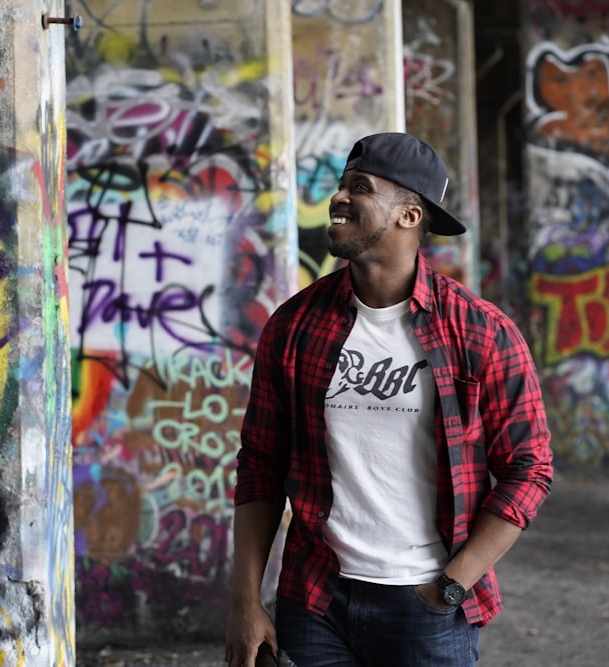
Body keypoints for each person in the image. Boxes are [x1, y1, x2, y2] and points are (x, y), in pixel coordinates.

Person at [224, 132, 554, 667]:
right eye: (341, 185)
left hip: (426, 609)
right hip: (315, 601)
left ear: (409, 215)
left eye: (361, 187)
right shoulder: (294, 326)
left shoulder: (480, 332)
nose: (339, 198)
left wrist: (452, 585)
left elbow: (529, 468)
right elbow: (260, 463)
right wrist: (245, 600)